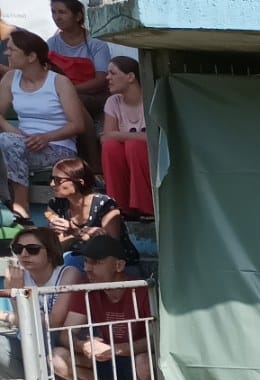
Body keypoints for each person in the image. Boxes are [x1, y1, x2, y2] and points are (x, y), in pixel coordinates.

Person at [52, 232, 149, 380]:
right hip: (106, 359)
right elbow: (66, 334)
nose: (87, 268)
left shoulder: (142, 289)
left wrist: (115, 349)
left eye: (96, 262)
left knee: (144, 361)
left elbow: (158, 339)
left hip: (136, 358)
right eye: (86, 261)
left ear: (119, 265)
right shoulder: (85, 287)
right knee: (56, 357)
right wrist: (82, 345)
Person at [0, 29, 85, 224]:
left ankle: (21, 207)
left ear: (31, 57)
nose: (7, 53)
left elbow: (78, 125)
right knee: (8, 142)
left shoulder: (59, 82)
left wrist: (46, 137)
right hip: (20, 144)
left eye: (12, 50)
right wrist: (17, 134)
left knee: (7, 143)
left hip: (58, 147)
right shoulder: (10, 79)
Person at [0, 226, 82, 380]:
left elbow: (54, 322)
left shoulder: (68, 274)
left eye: (32, 249)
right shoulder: (18, 277)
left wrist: (7, 313)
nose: (24, 254)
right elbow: (24, 322)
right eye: (18, 249)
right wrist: (15, 293)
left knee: (38, 331)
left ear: (50, 251)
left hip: (59, 344)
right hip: (31, 341)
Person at [44, 155, 136, 271]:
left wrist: (76, 234)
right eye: (51, 178)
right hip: (75, 262)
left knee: (70, 261)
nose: (52, 184)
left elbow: (111, 246)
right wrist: (80, 234)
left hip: (115, 267)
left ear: (79, 182)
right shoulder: (55, 205)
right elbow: (56, 248)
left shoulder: (105, 204)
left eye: (58, 180)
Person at [45, 1, 105, 167]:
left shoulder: (96, 44)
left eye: (62, 12)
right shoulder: (51, 44)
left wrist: (69, 91)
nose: (57, 17)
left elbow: (101, 80)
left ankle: (94, 163)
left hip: (92, 96)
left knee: (76, 104)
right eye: (54, 12)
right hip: (60, 94)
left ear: (78, 16)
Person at [99, 56, 150, 220]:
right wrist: (139, 136)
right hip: (129, 163)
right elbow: (106, 137)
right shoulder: (113, 102)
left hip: (153, 163)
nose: (108, 77)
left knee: (134, 146)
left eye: (113, 73)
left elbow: (156, 138)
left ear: (130, 77)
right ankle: (119, 206)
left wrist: (124, 137)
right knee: (111, 147)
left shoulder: (150, 99)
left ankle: (147, 207)